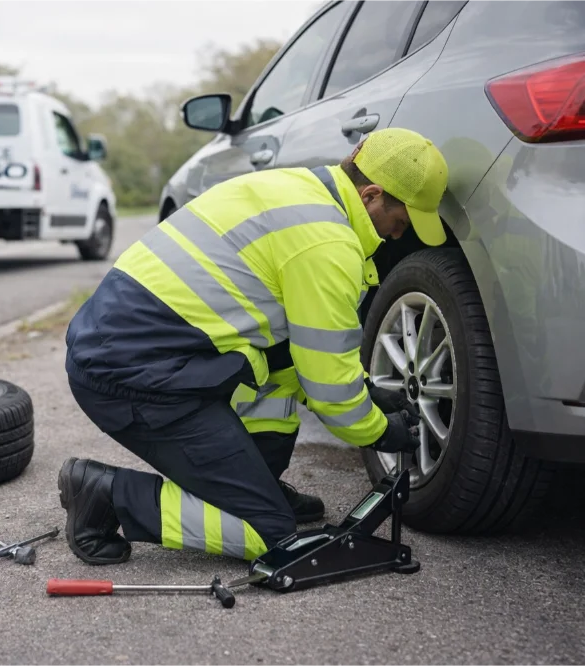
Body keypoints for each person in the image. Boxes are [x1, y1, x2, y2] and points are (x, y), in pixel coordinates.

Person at [58, 127, 447, 565]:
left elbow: (300, 355)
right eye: (401, 221)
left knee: (275, 372)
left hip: (136, 346)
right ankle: (106, 495)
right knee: (269, 533)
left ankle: (256, 482)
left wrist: (367, 390)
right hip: (132, 376)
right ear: (372, 195)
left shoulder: (297, 189)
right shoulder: (328, 243)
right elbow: (331, 394)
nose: (397, 235)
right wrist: (380, 431)